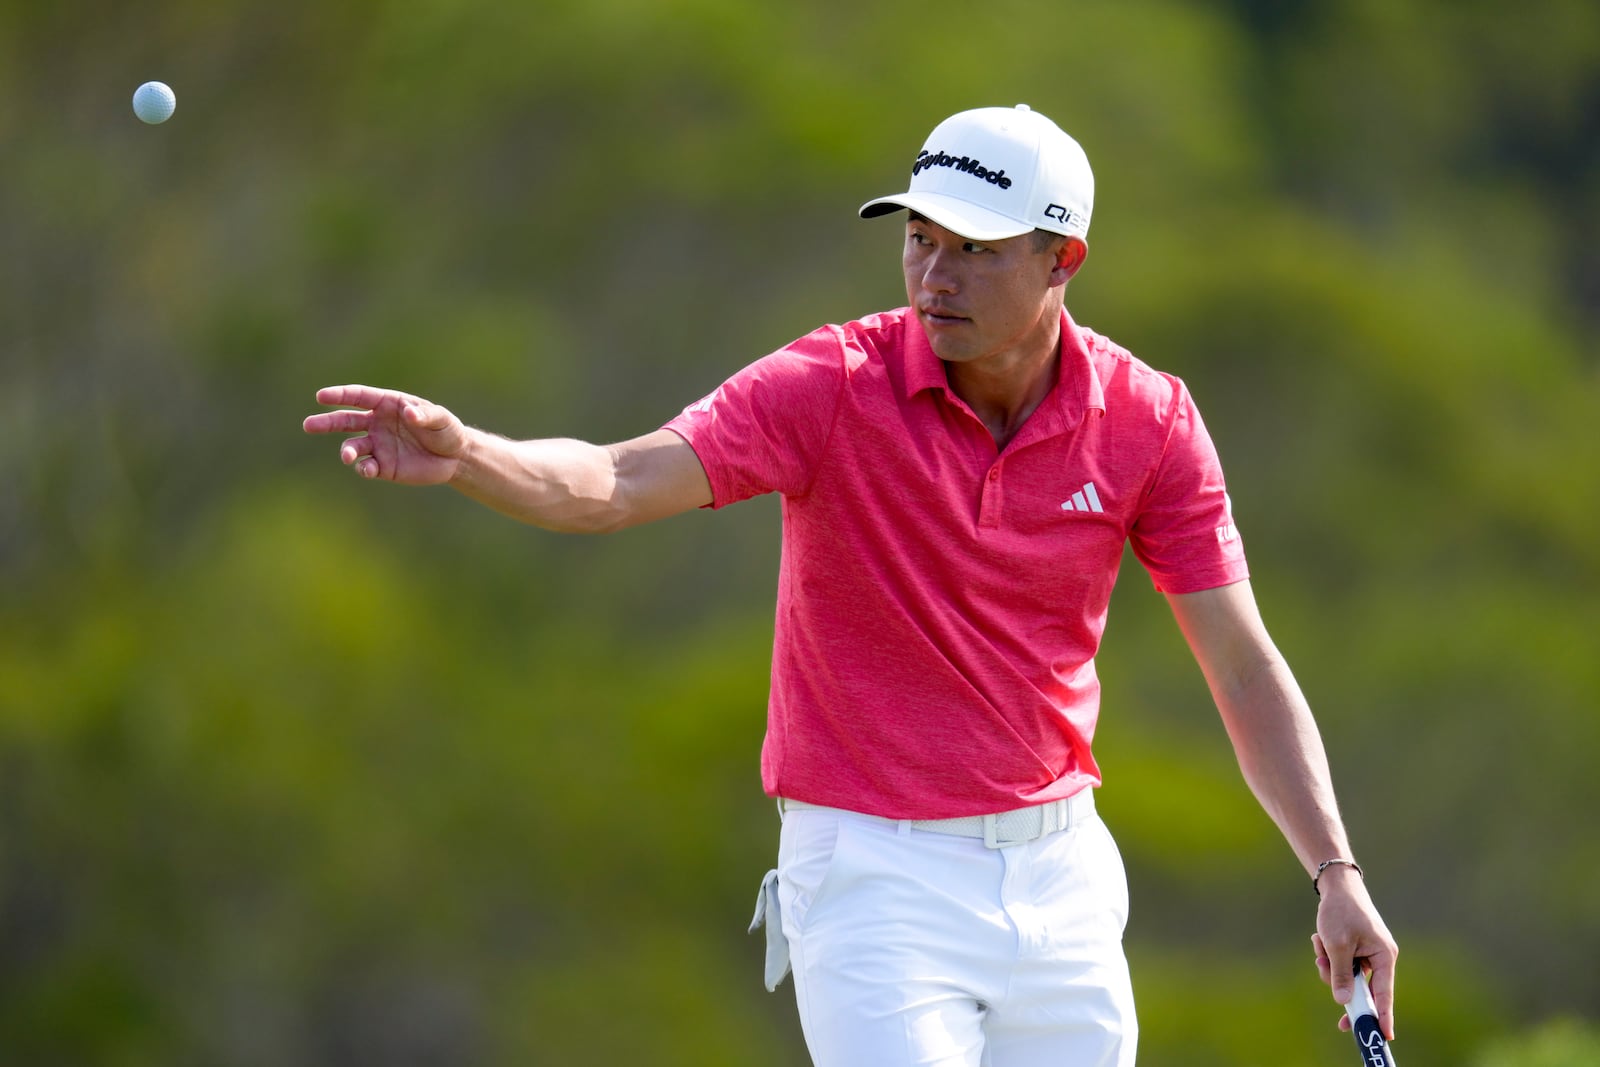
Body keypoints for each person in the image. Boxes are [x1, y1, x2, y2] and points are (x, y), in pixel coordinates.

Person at [304, 104, 1397, 1066]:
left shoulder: (1148, 420)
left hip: (1063, 874)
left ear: (1063, 258)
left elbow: (1241, 660)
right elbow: (615, 479)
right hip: (874, 876)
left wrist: (1333, 869)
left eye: (973, 249)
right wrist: (471, 454)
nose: (935, 275)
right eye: (919, 240)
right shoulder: (829, 385)